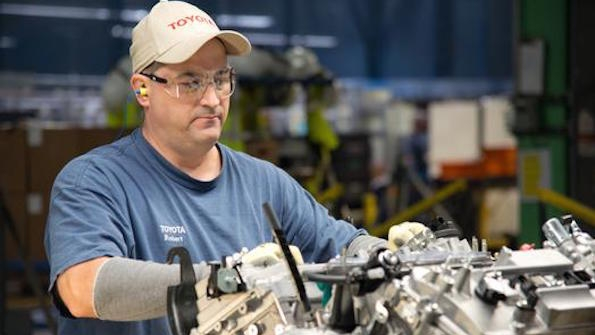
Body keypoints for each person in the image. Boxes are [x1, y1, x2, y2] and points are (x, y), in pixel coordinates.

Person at [44, 1, 427, 334]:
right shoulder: (94, 181)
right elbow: (82, 287)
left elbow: (341, 244)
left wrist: (393, 254)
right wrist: (225, 278)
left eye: (220, 79)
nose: (212, 99)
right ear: (143, 89)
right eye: (190, 83)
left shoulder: (265, 182)